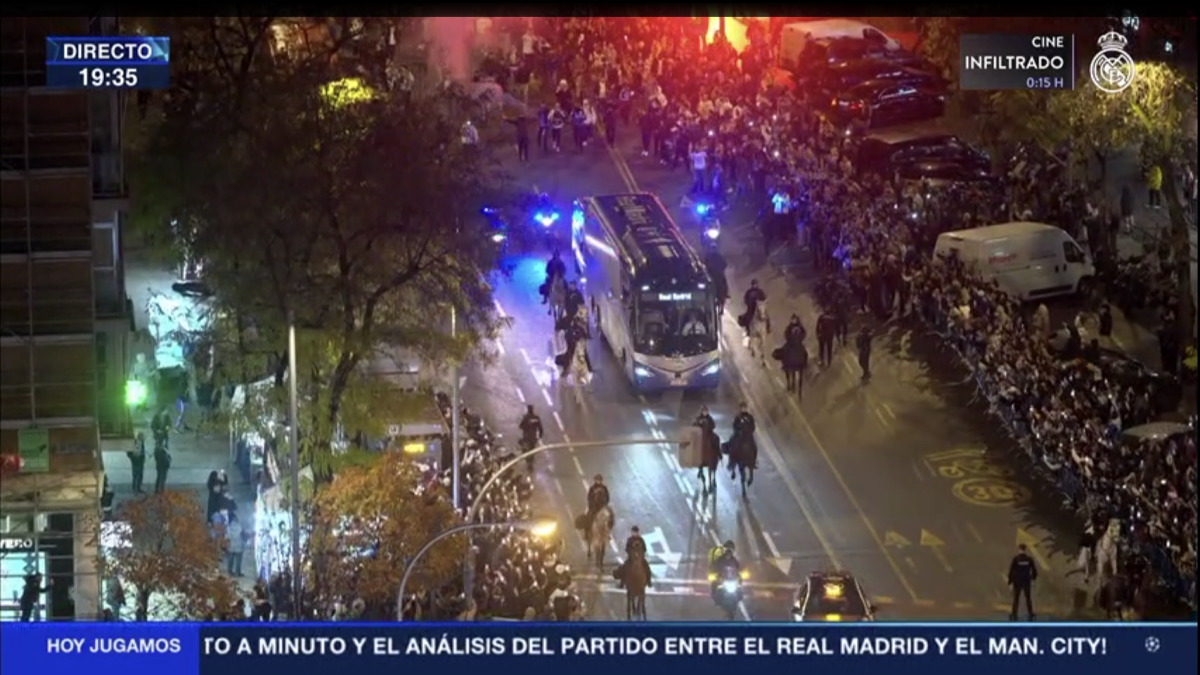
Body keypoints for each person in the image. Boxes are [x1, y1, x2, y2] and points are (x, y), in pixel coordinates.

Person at [1008, 543, 1038, 621]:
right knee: (1028, 598)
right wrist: (1033, 579)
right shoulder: (1029, 559)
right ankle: (1030, 614)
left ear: (1019, 549)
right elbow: (1034, 571)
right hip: (1026, 581)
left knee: (1016, 598)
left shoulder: (1016, 559)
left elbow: (1011, 571)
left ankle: (1014, 614)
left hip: (1017, 581)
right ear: (1025, 549)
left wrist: (1010, 582)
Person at [582, 474, 610, 544]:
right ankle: (586, 534)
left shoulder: (604, 488)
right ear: (595, 481)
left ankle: (608, 534)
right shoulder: (592, 488)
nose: (599, 481)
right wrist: (591, 506)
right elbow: (589, 498)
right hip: (593, 507)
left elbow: (607, 497)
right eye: (597, 480)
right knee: (587, 517)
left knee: (608, 518)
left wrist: (605, 505)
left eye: (600, 480)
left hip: (601, 507)